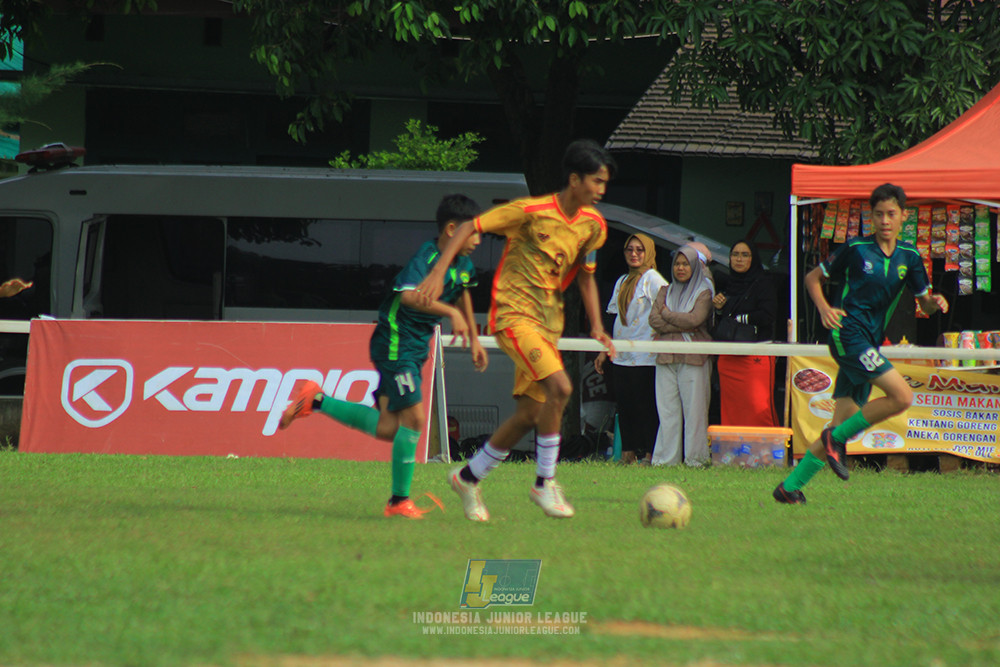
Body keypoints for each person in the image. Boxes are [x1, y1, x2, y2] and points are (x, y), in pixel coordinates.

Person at [415, 138, 617, 521]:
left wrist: (596, 326)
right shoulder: (529, 212)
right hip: (513, 316)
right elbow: (469, 228)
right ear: (574, 180)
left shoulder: (593, 227)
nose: (601, 190)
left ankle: (468, 476)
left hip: (547, 324)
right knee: (561, 388)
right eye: (596, 181)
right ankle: (544, 483)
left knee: (529, 413)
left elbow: (587, 277)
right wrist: (440, 271)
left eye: (605, 183)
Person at [279, 194, 488, 519]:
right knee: (416, 419)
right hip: (395, 340)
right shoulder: (427, 256)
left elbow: (462, 292)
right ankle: (398, 502)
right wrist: (449, 311)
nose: (478, 239)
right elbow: (406, 297)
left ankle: (316, 400)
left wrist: (474, 338)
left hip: (415, 346)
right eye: (473, 232)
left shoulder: (463, 265)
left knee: (390, 427)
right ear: (451, 229)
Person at [774, 183, 948, 504]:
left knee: (841, 423)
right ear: (871, 217)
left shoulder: (910, 257)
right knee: (901, 396)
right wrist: (825, 309)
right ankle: (834, 440)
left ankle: (790, 487)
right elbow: (813, 278)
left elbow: (924, 304)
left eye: (891, 214)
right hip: (847, 335)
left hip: (870, 341)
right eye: (879, 214)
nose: (885, 220)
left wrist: (935, 302)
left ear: (903, 217)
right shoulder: (855, 248)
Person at [594, 233, 668, 464]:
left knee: (645, 404)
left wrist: (661, 336)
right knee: (625, 405)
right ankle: (627, 453)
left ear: (648, 252)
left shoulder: (654, 279)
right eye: (630, 250)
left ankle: (648, 454)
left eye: (640, 250)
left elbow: (666, 311)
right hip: (621, 354)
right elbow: (612, 317)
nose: (634, 254)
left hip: (646, 355)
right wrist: (602, 350)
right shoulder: (622, 281)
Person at [648, 244, 714, 466]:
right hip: (666, 355)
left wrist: (666, 314)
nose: (680, 268)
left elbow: (696, 320)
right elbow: (654, 320)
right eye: (677, 263)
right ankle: (666, 460)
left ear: (694, 266)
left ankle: (695, 459)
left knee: (695, 411)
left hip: (693, 356)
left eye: (685, 264)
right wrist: (678, 321)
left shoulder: (703, 291)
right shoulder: (665, 291)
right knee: (667, 410)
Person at [712, 239, 778, 426]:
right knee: (731, 407)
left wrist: (741, 318)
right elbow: (723, 322)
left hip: (756, 353)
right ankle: (733, 454)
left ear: (753, 258)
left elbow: (768, 315)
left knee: (758, 407)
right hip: (729, 356)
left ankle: (763, 454)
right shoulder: (727, 283)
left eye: (745, 255)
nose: (739, 259)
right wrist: (718, 309)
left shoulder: (763, 283)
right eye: (735, 254)